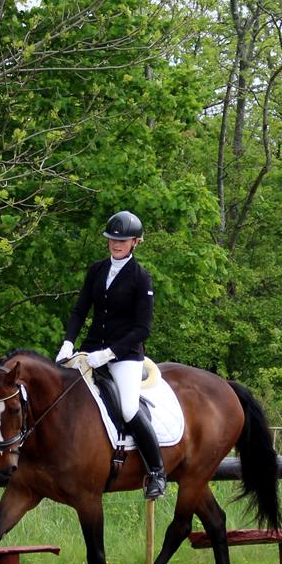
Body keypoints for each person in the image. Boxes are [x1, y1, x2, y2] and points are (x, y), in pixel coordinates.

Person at [55, 210, 166, 498]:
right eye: (112, 240)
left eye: (122, 240)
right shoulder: (97, 270)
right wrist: (68, 342)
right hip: (90, 349)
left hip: (125, 355)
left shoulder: (141, 278)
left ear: (135, 242)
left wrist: (109, 354)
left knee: (128, 408)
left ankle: (157, 472)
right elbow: (80, 309)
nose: (116, 244)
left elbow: (143, 329)